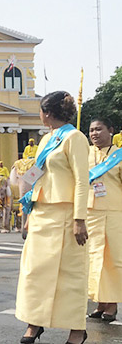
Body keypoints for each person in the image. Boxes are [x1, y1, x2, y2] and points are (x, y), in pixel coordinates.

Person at [16, 91, 89, 344]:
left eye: (39, 110)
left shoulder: (74, 137)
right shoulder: (46, 139)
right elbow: (38, 175)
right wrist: (28, 213)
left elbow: (82, 180)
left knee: (69, 274)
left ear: (47, 112)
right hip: (41, 213)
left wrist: (80, 218)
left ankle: (77, 329)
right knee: (35, 272)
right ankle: (34, 323)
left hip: (66, 214)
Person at [86, 118, 121, 322]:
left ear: (111, 130)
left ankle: (113, 303)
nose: (94, 133)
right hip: (89, 212)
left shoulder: (119, 155)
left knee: (112, 259)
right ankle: (99, 301)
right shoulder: (85, 153)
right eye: (91, 130)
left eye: (99, 129)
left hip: (114, 211)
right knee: (92, 258)